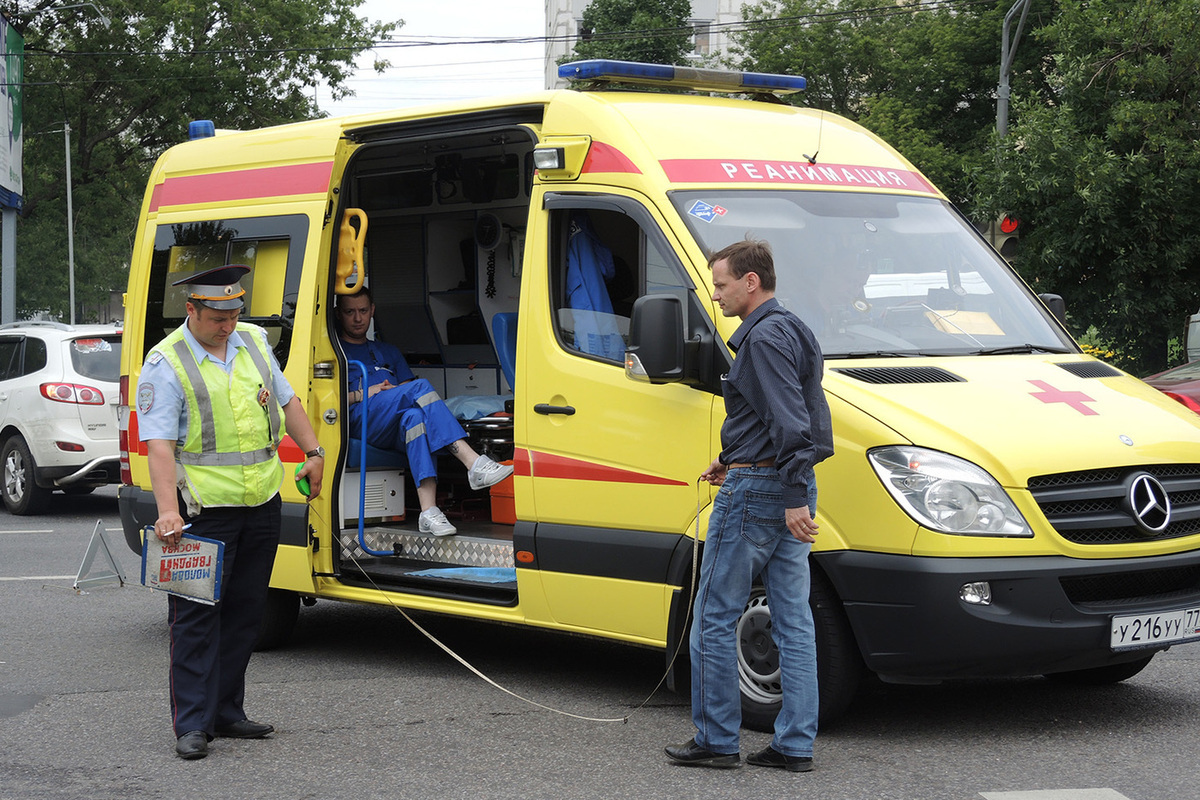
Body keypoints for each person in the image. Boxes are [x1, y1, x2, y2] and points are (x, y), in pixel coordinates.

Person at [137, 265, 326, 761]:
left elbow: (287, 402)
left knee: (247, 614)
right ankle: (193, 724)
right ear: (192, 310)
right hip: (202, 512)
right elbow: (158, 446)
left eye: (235, 312)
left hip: (260, 501)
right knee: (196, 619)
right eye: (218, 316)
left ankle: (226, 711)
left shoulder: (254, 343)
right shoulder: (167, 361)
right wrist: (166, 512)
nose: (228, 324)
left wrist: (313, 452)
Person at [665, 239, 834, 772]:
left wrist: (776, 488)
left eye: (720, 284)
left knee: (714, 617)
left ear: (750, 282)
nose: (715, 295)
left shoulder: (761, 340)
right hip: (786, 486)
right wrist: (729, 458)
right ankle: (795, 744)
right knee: (794, 621)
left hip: (763, 494)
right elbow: (798, 418)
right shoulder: (796, 329)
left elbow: (790, 423)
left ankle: (717, 740)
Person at [336, 288, 513, 536]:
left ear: (372, 310)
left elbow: (408, 390)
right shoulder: (333, 350)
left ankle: (428, 512)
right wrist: (365, 393)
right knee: (420, 387)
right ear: (339, 314)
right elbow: (325, 399)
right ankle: (473, 463)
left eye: (363, 311)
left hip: (393, 419)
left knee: (415, 419)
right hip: (360, 420)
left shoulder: (388, 351)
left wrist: (393, 393)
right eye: (349, 312)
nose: (357, 318)